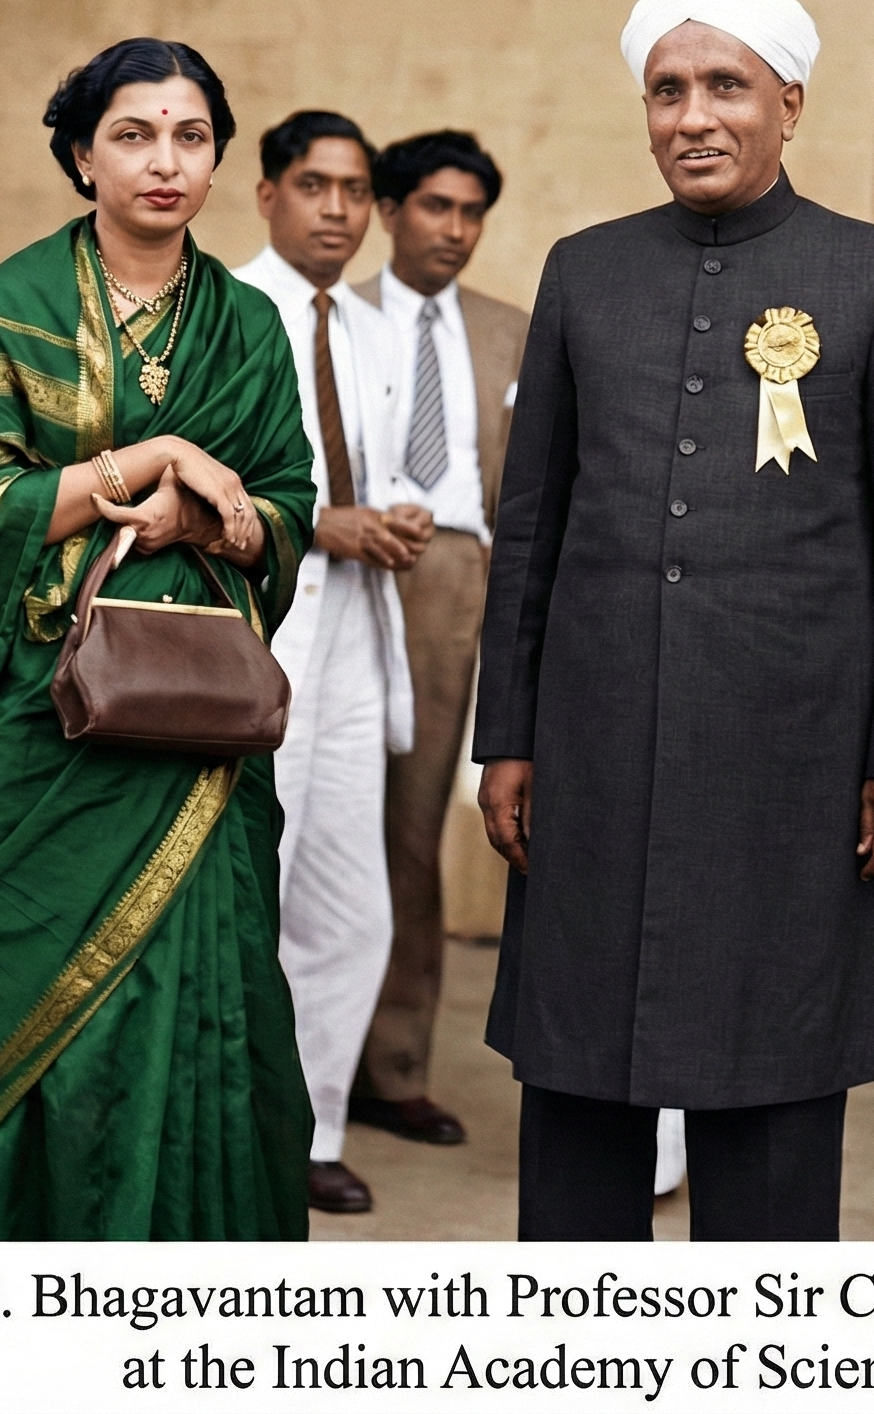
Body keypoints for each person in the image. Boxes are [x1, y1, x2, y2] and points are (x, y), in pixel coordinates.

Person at [472, 0, 874, 1241]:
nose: (693, 116)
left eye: (726, 87)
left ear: (789, 103)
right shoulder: (585, 273)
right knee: (576, 1084)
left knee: (776, 1092)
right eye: (667, 89)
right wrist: (508, 737)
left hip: (791, 764)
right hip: (595, 750)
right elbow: (530, 528)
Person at [0, 38, 315, 1239]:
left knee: (202, 1000)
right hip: (41, 729)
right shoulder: (19, 303)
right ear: (82, 154)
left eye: (190, 136)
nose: (164, 161)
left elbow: (283, 507)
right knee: (21, 1004)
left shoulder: (244, 325)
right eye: (133, 135)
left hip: (197, 729)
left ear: (218, 158)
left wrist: (211, 514)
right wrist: (153, 457)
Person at [233, 110, 435, 1214]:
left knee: (350, 903)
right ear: (267, 194)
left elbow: (377, 468)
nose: (337, 211)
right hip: (261, 637)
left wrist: (387, 521)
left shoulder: (362, 328)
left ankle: (311, 1129)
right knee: (251, 882)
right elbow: (207, 474)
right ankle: (241, 1121)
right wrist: (323, 524)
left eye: (354, 191)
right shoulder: (223, 307)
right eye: (314, 187)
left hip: (358, 637)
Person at [346, 129, 528, 1148]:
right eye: (434, 208)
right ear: (389, 210)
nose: (454, 230)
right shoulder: (336, 312)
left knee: (412, 835)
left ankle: (395, 1063)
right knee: (318, 825)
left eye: (471, 213)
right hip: (341, 569)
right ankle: (295, 1060)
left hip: (458, 578)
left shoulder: (512, 331)